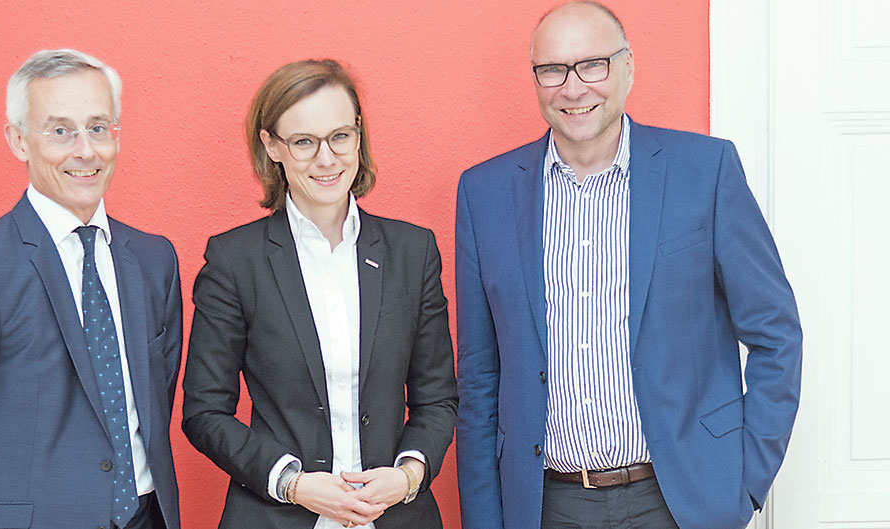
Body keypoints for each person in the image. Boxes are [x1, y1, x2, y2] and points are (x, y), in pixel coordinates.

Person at [454, 2, 803, 529]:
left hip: (681, 503)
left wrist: (745, 482)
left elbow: (776, 333)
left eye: (592, 65)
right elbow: (480, 378)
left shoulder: (705, 172)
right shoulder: (485, 194)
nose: (573, 88)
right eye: (552, 70)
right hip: (546, 506)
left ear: (628, 67)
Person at [0, 49, 182, 529]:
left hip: (147, 517)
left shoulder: (155, 260)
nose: (85, 150)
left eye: (98, 127)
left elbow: (156, 400)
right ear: (19, 140)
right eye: (60, 131)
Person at [181, 59, 457, 529]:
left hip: (395, 516)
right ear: (272, 146)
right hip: (276, 516)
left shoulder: (413, 252)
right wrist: (293, 484)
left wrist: (407, 476)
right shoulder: (234, 260)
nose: (326, 159)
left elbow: (438, 397)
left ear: (358, 134)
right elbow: (205, 411)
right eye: (304, 142)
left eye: (340, 136)